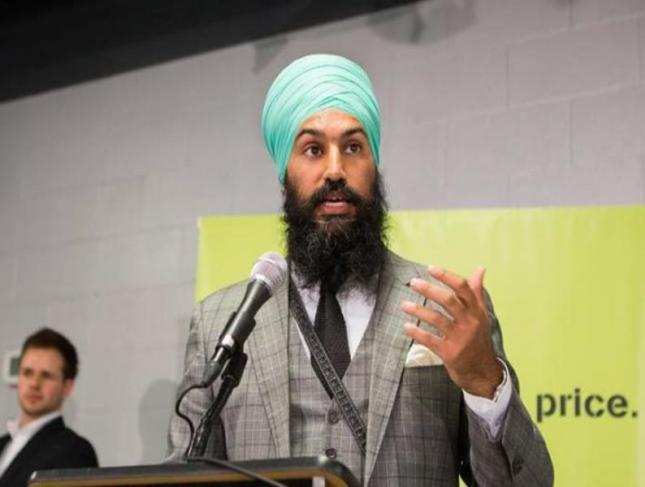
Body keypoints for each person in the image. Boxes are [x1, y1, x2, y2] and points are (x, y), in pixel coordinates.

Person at [168, 54, 553, 486]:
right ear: (284, 172)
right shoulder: (220, 323)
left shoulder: (447, 310)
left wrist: (483, 380)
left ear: (375, 164)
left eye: (353, 147)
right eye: (313, 150)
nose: (335, 170)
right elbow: (182, 478)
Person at [0, 328, 98, 486]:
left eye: (46, 375)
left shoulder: (75, 451)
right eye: (27, 373)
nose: (34, 384)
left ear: (67, 387)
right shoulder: (3, 443)